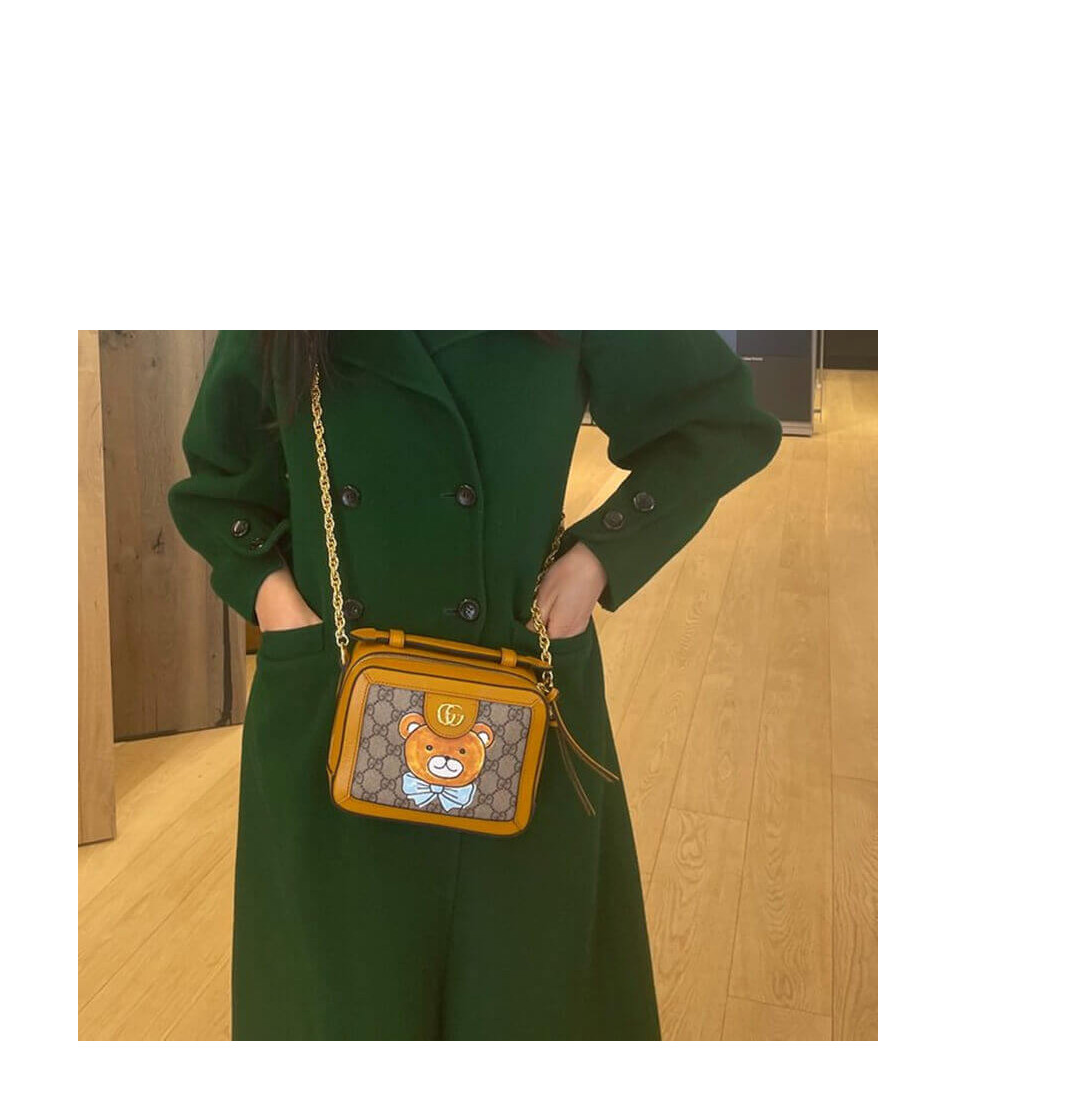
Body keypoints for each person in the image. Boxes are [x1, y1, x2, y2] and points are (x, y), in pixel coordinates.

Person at [168, 330, 782, 1040]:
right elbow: (220, 480)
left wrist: (597, 560)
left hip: (521, 685)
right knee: (337, 1001)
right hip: (332, 690)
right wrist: (276, 603)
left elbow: (716, 421)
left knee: (526, 996)